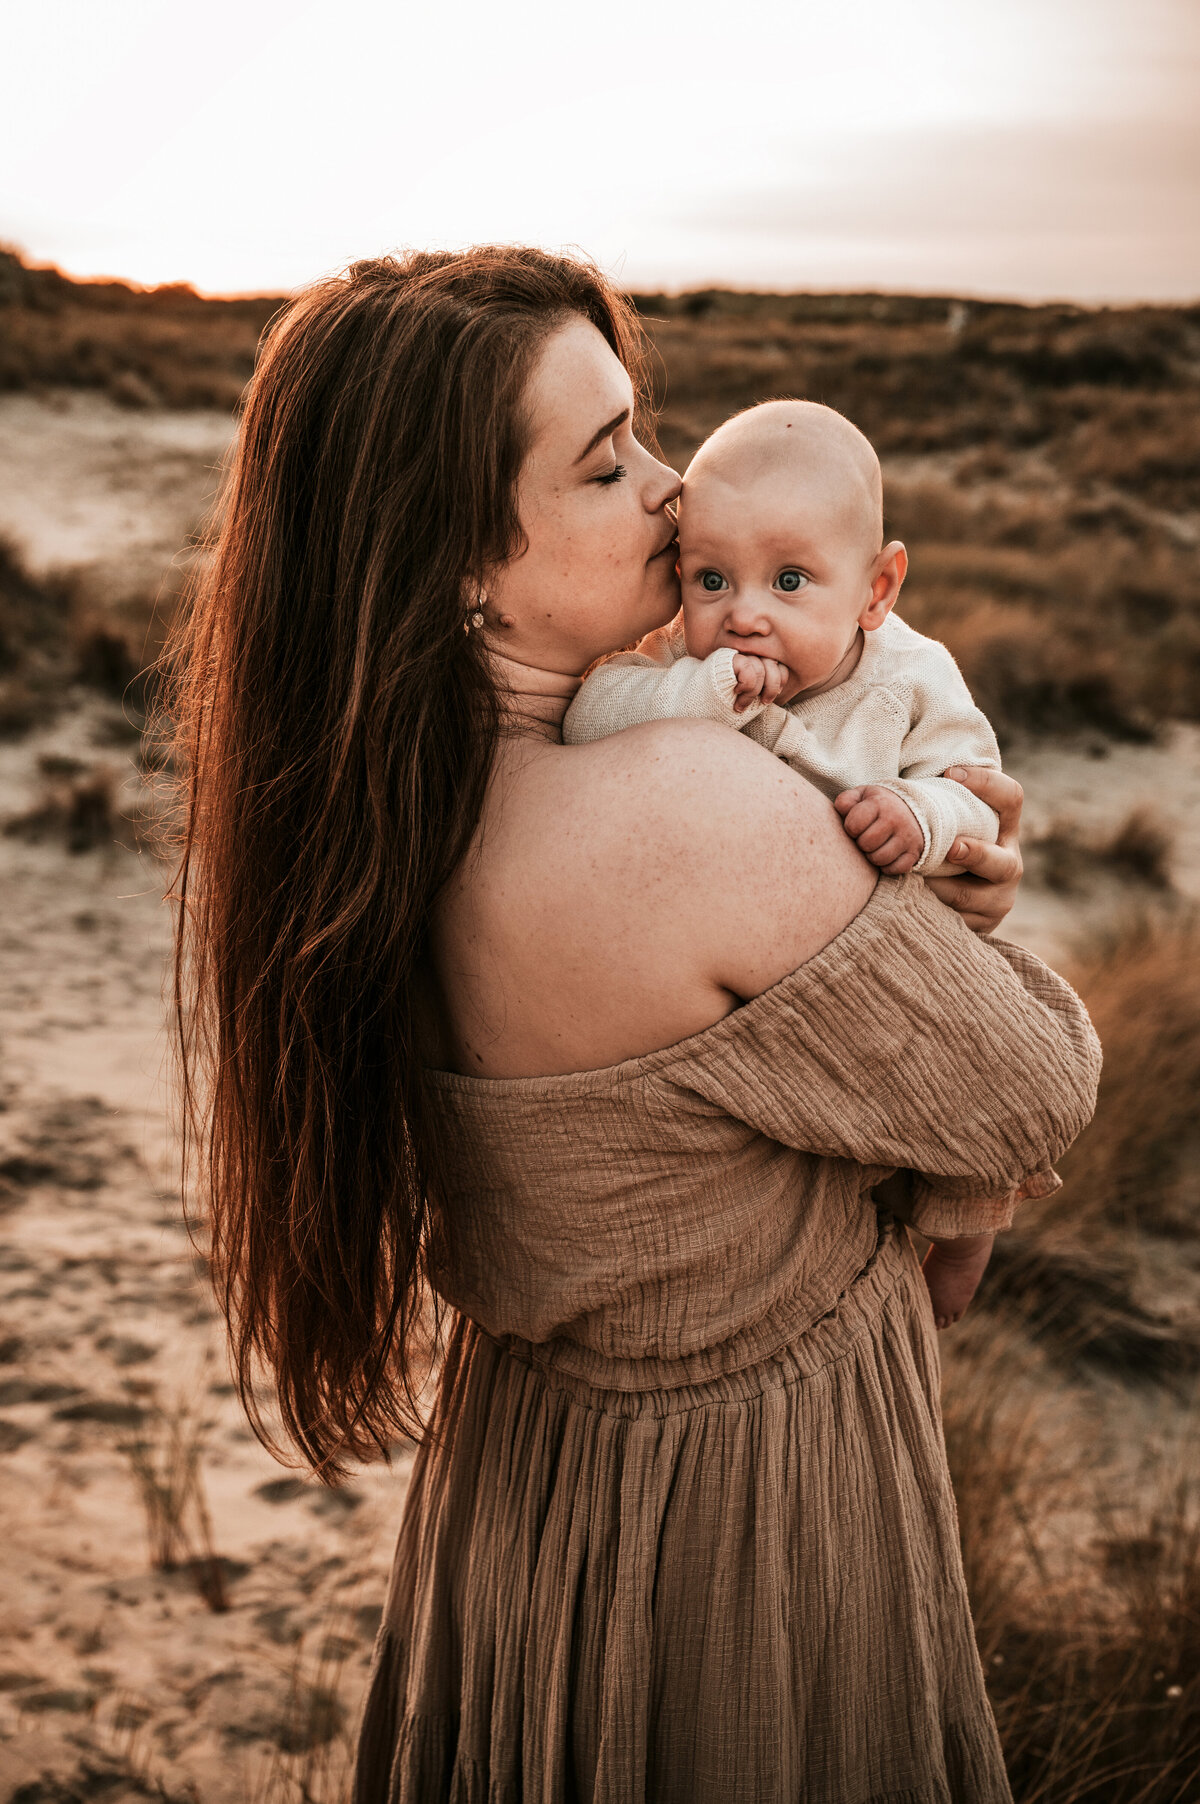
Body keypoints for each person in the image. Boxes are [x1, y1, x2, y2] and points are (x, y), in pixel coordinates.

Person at [166, 247, 1101, 1804]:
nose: (677, 494)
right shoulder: (689, 804)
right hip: (751, 1518)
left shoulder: (373, 814)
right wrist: (961, 912)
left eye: (649, 433)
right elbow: (1036, 1087)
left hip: (524, 1489)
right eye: (611, 464)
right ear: (458, 556)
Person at [561, 396, 1017, 1332]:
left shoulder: (911, 676)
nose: (746, 619)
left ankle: (965, 1234)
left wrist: (919, 815)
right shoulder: (671, 667)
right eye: (713, 580)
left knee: (969, 1122)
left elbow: (977, 788)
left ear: (878, 589)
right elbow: (591, 718)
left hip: (895, 949)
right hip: (769, 977)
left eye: (792, 581)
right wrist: (705, 691)